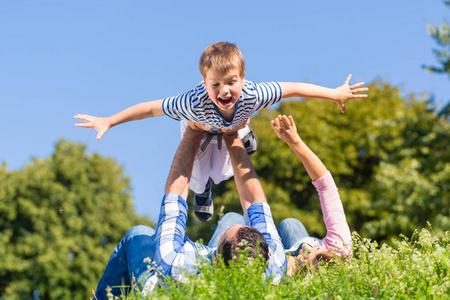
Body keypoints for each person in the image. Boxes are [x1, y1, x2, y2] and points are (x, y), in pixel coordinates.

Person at [75, 41, 368, 222]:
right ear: (205, 84)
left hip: (233, 123)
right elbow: (151, 108)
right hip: (200, 128)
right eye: (215, 85)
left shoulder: (253, 93)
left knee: (236, 129)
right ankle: (203, 193)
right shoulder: (192, 102)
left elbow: (293, 89)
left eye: (230, 82)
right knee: (200, 170)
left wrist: (334, 93)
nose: (224, 90)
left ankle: (246, 131)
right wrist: (110, 121)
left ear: (243, 77)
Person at [94, 121, 287, 300]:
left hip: (160, 290)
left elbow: (174, 197)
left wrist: (192, 130)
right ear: (265, 253)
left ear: (217, 263)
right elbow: (255, 202)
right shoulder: (275, 263)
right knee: (233, 217)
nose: (238, 225)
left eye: (229, 233)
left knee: (139, 233)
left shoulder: (175, 265)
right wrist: (232, 135)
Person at [269, 115, 352, 277]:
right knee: (290, 224)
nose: (306, 249)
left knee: (231, 218)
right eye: (315, 248)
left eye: (307, 256)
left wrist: (288, 270)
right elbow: (326, 186)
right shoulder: (339, 246)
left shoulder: (291, 279)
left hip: (289, 274)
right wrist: (294, 141)